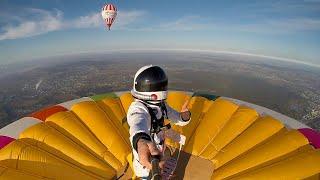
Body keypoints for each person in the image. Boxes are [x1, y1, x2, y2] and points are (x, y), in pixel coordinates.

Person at [127, 65, 191, 178]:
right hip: (145, 160)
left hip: (159, 151)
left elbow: (178, 119)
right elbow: (137, 124)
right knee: (146, 176)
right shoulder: (137, 108)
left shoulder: (161, 106)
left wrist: (185, 116)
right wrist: (141, 141)